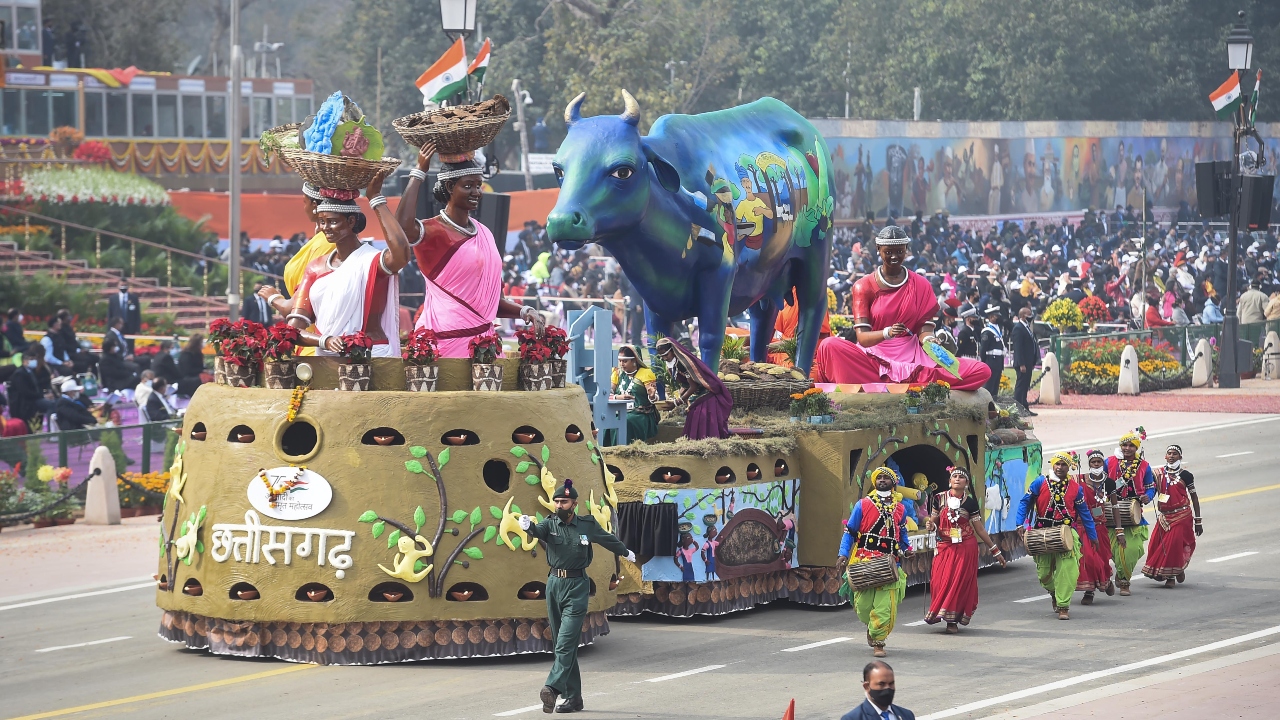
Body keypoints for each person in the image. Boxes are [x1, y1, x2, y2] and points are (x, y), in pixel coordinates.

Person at [391, 143, 543, 357]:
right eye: (468, 186)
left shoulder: (485, 234)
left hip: (484, 348)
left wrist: (525, 311)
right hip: (442, 349)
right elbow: (400, 229)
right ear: (449, 187)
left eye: (479, 185)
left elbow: (493, 304)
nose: (476, 192)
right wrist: (419, 172)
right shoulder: (433, 230)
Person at [813, 226, 991, 390]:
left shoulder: (920, 284)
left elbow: (925, 330)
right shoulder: (863, 286)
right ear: (878, 249)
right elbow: (863, 338)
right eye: (888, 252)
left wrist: (930, 340)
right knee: (829, 345)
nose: (894, 257)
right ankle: (907, 385)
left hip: (914, 359)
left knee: (981, 370)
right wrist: (888, 332)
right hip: (874, 359)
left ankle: (894, 384)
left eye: (899, 251)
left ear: (906, 249)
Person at [517, 478, 634, 714]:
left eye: (564, 502)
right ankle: (574, 698)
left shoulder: (587, 525)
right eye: (557, 501)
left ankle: (552, 687)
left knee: (565, 642)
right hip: (554, 584)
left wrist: (625, 552)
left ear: (574, 504)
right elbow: (537, 531)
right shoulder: (550, 524)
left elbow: (607, 539)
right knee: (562, 644)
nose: (559, 505)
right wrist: (527, 526)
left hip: (577, 585)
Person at [262, 174, 409, 356]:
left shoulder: (371, 261)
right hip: (325, 360)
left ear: (351, 221)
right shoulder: (315, 268)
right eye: (322, 221)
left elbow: (402, 253)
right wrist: (325, 341)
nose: (326, 228)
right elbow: (293, 330)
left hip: (371, 357)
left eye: (333, 221)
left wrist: (376, 200)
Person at [837, 467, 911, 657]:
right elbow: (850, 531)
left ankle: (879, 642)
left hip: (890, 563)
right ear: (875, 482)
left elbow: (902, 533)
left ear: (893, 483)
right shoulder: (862, 505)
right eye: (879, 478)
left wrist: (907, 549)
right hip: (865, 561)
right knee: (863, 606)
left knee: (885, 607)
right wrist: (843, 554)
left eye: (886, 478)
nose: (882, 480)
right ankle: (871, 626)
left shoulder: (900, 508)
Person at [1015, 452, 1097, 620]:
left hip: (1066, 533)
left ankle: (1063, 606)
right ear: (1052, 465)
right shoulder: (1040, 482)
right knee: (1044, 574)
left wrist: (1092, 535)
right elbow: (1025, 502)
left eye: (1064, 464)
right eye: (1057, 464)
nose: (1060, 467)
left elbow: (1085, 513)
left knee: (1068, 570)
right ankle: (1054, 592)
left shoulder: (1076, 488)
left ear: (1069, 467)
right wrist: (1019, 523)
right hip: (1042, 532)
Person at [923, 467, 1005, 632]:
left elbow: (979, 529)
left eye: (961, 477)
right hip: (944, 546)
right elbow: (934, 522)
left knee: (958, 584)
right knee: (939, 582)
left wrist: (995, 550)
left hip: (965, 547)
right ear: (949, 481)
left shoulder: (970, 502)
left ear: (966, 482)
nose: (957, 479)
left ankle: (952, 621)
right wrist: (931, 525)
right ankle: (942, 612)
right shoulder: (939, 498)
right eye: (954, 476)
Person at [1103, 428, 1155, 596]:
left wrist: (1148, 496)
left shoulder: (1144, 466)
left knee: (1132, 549)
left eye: (1131, 446)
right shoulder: (1109, 462)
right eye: (1124, 445)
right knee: (1112, 549)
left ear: (1137, 447)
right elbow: (1098, 482)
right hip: (1111, 511)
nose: (1127, 448)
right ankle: (1121, 574)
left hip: (1133, 512)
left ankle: (1124, 580)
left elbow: (1151, 487)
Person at [1142, 444, 1202, 588]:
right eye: (1169, 453)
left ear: (1180, 456)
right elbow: (1151, 490)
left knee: (1173, 546)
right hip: (1164, 516)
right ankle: (1176, 568)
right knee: (1158, 545)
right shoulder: (1157, 474)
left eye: (1175, 453)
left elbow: (1194, 497)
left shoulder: (1186, 475)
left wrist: (1198, 521)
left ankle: (1171, 576)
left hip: (1181, 515)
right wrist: (1146, 497)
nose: (1171, 456)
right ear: (1165, 456)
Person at [655, 337, 731, 440]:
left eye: (666, 355)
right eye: (662, 356)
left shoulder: (682, 363)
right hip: (697, 396)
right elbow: (685, 385)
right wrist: (677, 398)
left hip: (705, 396)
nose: (664, 358)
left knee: (703, 424)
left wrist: (677, 402)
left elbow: (693, 386)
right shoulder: (672, 364)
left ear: (672, 350)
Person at [1076, 450, 1116, 605]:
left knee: (1103, 560)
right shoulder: (1080, 480)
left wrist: (1119, 530)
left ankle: (1106, 580)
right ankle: (1089, 591)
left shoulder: (1109, 483)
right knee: (1088, 559)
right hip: (1083, 527)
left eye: (1099, 462)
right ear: (1089, 464)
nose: (1096, 464)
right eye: (1093, 462)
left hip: (1100, 527)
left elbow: (1115, 506)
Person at [606, 344, 659, 445]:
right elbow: (608, 393)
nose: (621, 364)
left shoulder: (645, 373)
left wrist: (652, 395)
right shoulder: (617, 373)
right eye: (620, 361)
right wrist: (617, 397)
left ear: (634, 360)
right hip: (619, 412)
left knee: (625, 421)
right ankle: (607, 450)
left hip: (640, 414)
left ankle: (624, 449)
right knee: (608, 420)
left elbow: (654, 396)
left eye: (625, 361)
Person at [841, 660, 916, 720]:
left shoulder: (906, 715)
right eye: (881, 684)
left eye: (891, 683)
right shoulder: (853, 718)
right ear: (867, 686)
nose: (887, 689)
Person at [6, 345, 55, 427]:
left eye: (35, 359)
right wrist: (43, 396)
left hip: (33, 399)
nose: (34, 361)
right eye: (31, 359)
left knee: (55, 402)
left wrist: (46, 393)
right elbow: (25, 392)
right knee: (50, 405)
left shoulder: (30, 372)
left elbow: (37, 386)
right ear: (24, 361)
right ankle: (51, 430)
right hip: (24, 403)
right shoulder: (19, 374)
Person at [1011, 307, 1037, 416]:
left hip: (1028, 362)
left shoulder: (1026, 327)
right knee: (1020, 386)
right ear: (1022, 316)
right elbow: (1018, 348)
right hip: (1023, 363)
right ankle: (1018, 408)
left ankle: (1024, 407)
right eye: (1028, 314)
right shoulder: (1018, 328)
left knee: (1025, 385)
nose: (1030, 316)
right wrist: (1021, 364)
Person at [107, 281, 141, 352]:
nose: (123, 286)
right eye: (121, 285)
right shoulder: (113, 298)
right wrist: (109, 328)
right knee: (117, 345)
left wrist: (137, 329)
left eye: (125, 285)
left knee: (130, 346)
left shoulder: (133, 298)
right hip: (117, 326)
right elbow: (110, 314)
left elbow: (137, 315)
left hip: (130, 327)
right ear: (118, 286)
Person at [979, 305, 1004, 398]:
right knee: (989, 385)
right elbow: (983, 349)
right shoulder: (987, 331)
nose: (998, 318)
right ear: (991, 317)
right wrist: (984, 361)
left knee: (995, 386)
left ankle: (994, 402)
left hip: (998, 360)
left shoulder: (998, 329)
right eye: (996, 316)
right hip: (991, 360)